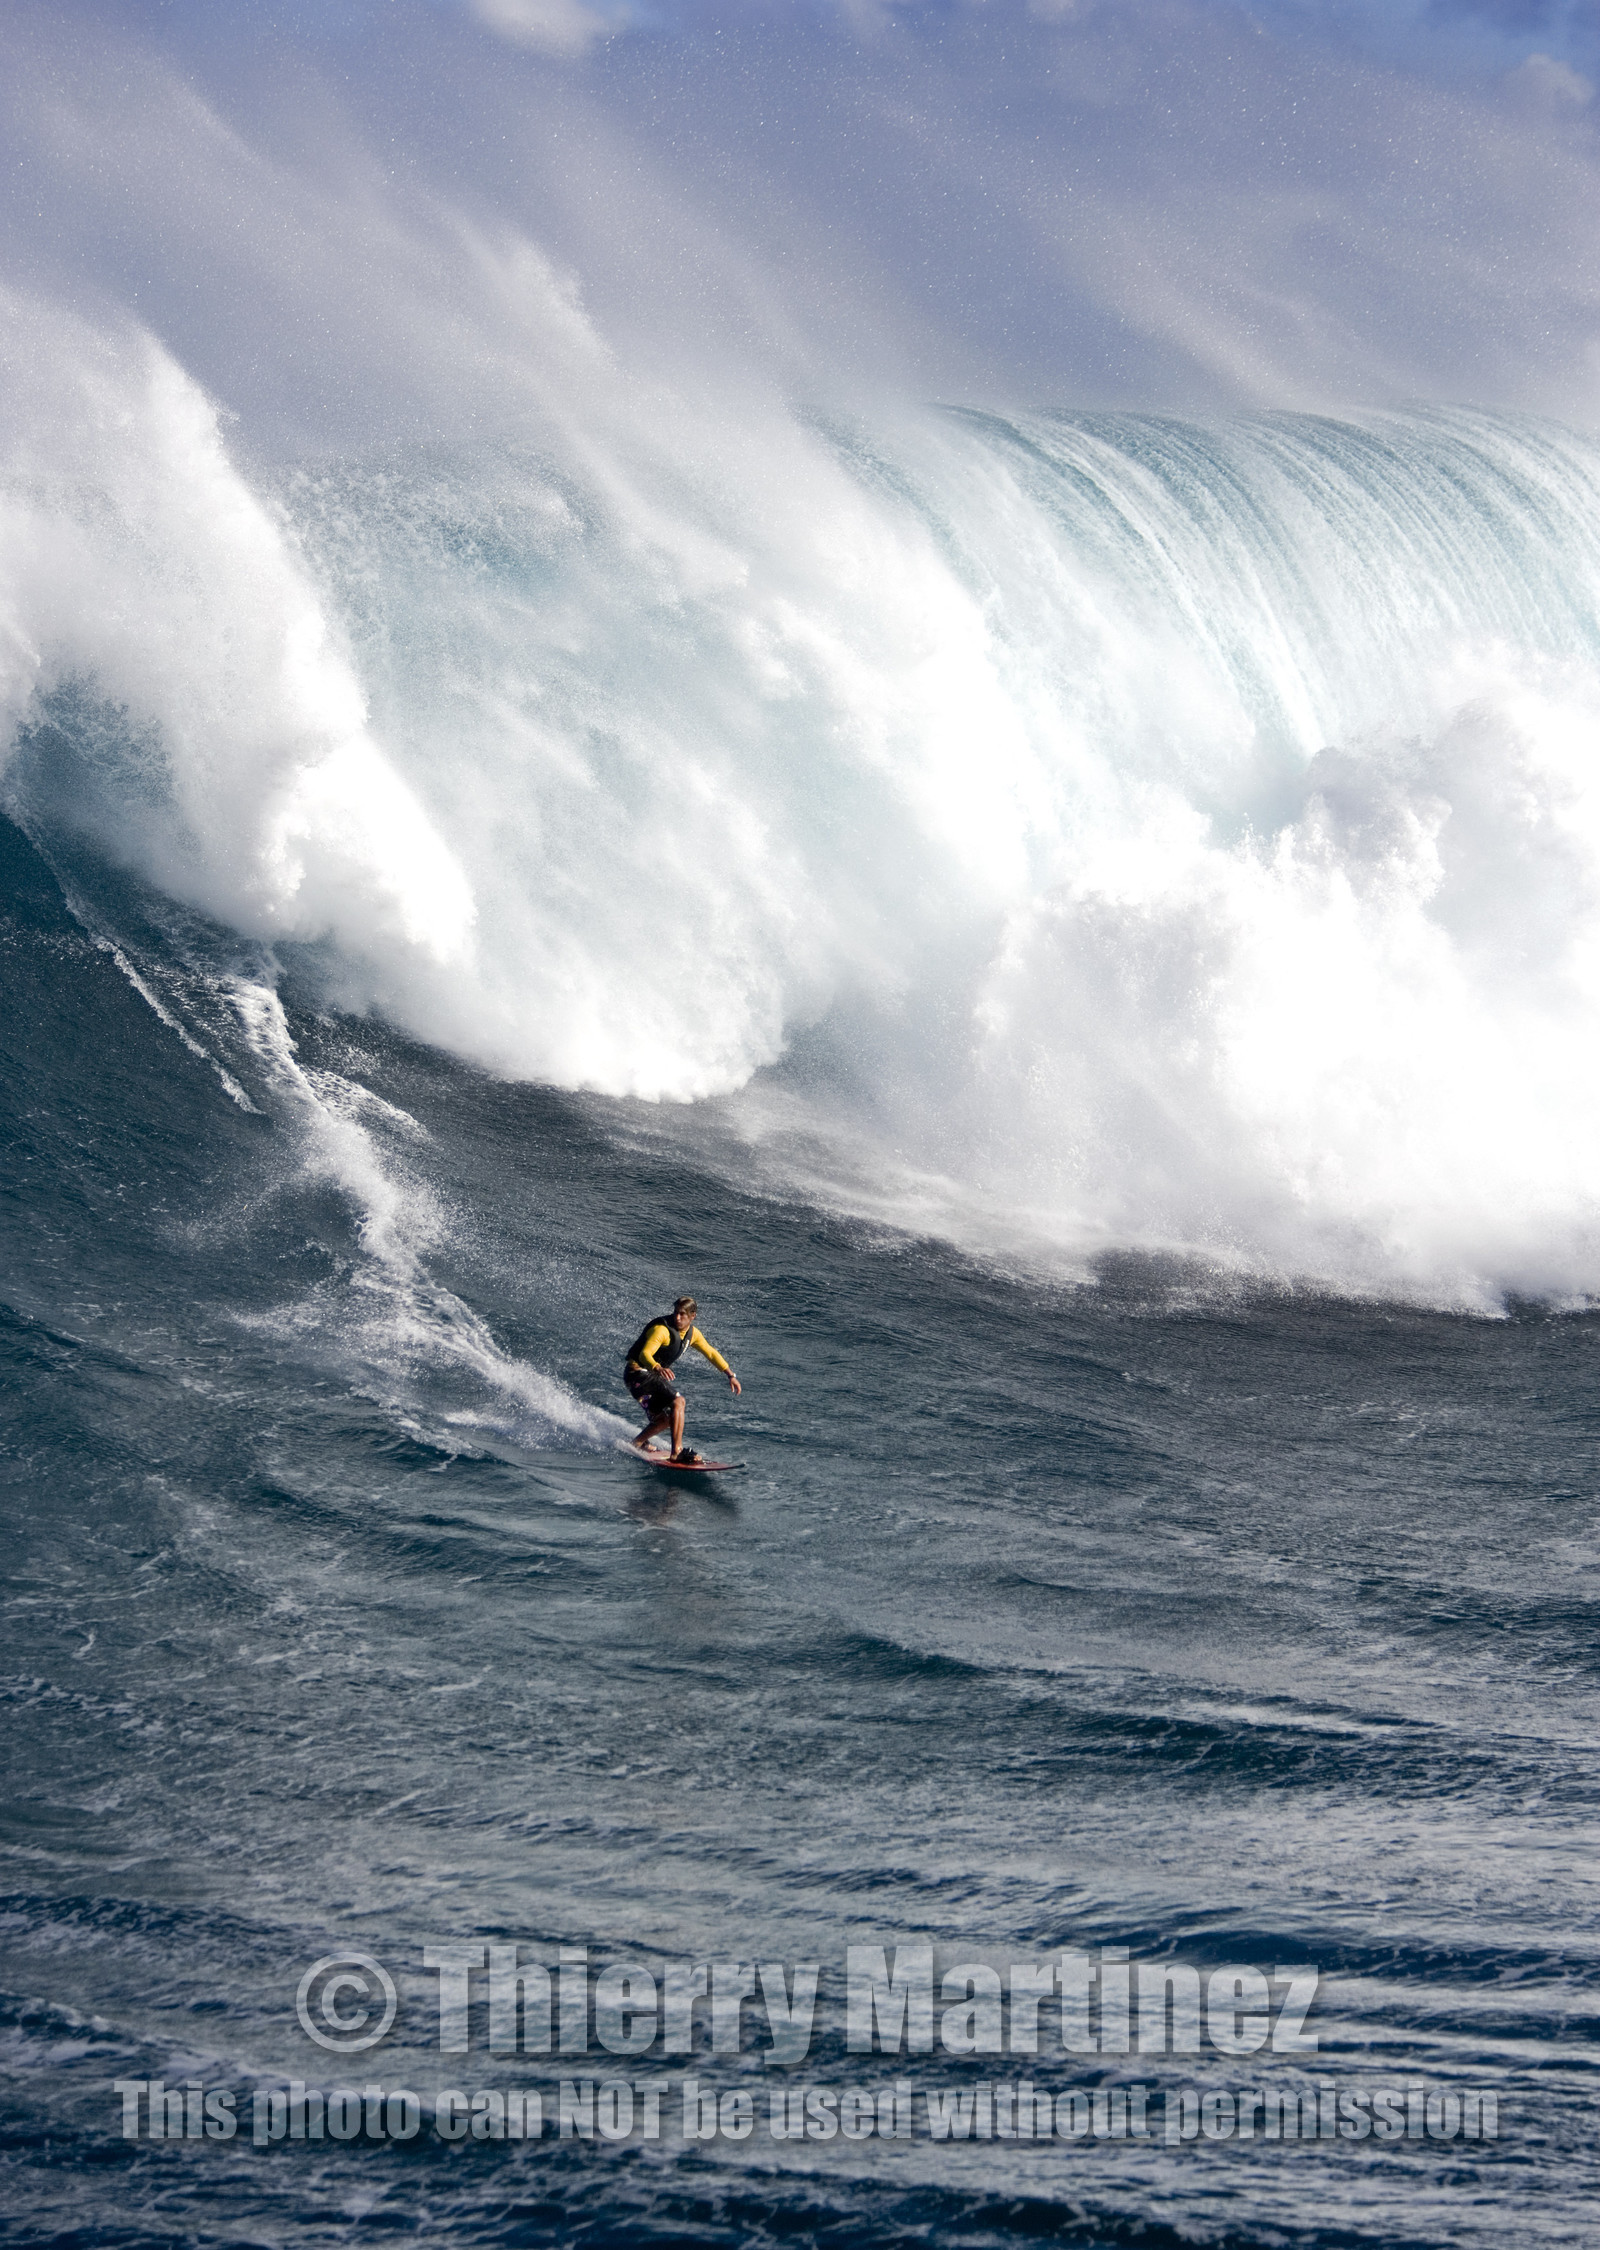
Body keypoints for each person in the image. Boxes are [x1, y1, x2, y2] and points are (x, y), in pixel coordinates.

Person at [623, 1296, 741, 1463]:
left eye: (682, 1315)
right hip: (637, 1373)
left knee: (666, 1420)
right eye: (676, 1313)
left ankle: (638, 1442)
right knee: (679, 1402)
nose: (677, 1318)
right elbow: (645, 1354)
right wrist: (658, 1367)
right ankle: (676, 1452)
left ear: (693, 1316)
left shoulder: (692, 1334)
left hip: (646, 1376)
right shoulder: (662, 1330)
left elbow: (710, 1353)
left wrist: (730, 1374)